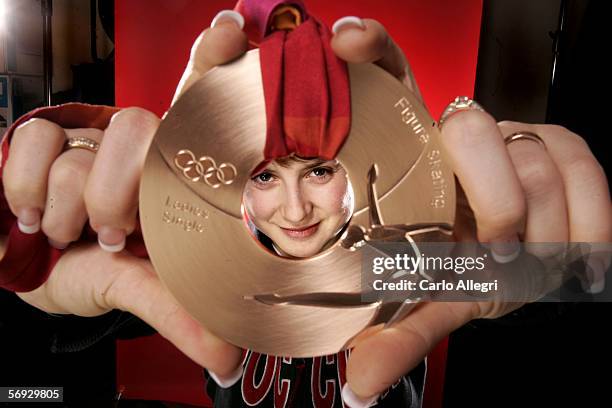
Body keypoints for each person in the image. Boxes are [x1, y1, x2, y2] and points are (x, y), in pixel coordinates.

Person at [0, 1, 610, 407]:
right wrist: (28, 244)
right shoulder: (189, 267)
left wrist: (553, 259)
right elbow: (35, 363)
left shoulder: (409, 262)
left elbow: (570, 287)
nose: (294, 212)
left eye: (319, 170)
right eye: (264, 178)